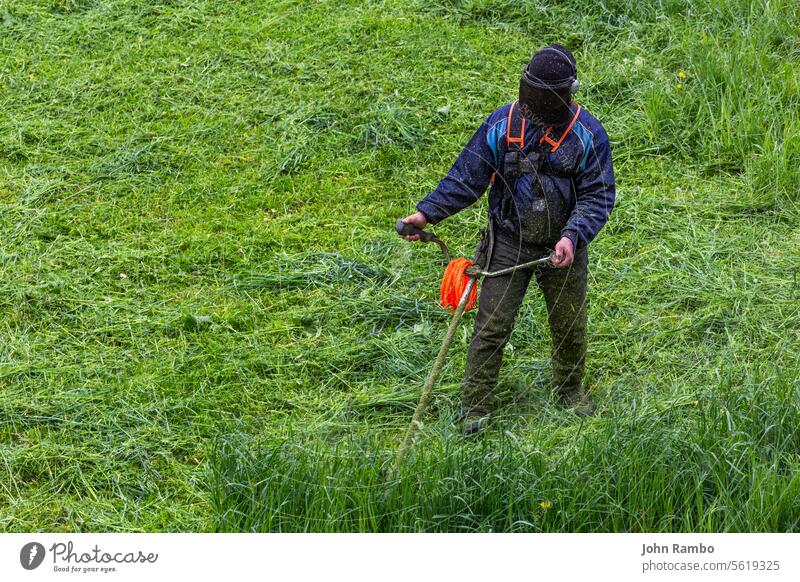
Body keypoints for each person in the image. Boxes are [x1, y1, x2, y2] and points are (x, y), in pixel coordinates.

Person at [400, 44, 616, 435]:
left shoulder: (588, 135)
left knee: (568, 324)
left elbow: (598, 196)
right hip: (508, 241)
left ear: (568, 93)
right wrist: (427, 212)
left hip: (563, 247)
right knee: (491, 327)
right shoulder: (502, 126)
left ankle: (569, 392)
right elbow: (466, 178)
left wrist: (572, 236)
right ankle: (475, 408)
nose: (536, 104)